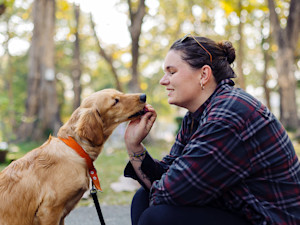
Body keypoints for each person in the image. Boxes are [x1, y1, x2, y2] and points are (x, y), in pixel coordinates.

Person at [123, 34, 300, 225]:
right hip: (241, 210)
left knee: (157, 217)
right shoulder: (197, 115)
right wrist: (134, 145)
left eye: (171, 72)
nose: (163, 81)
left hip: (270, 220)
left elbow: (169, 193)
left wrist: (162, 187)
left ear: (204, 75)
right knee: (142, 198)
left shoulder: (228, 115)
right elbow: (167, 175)